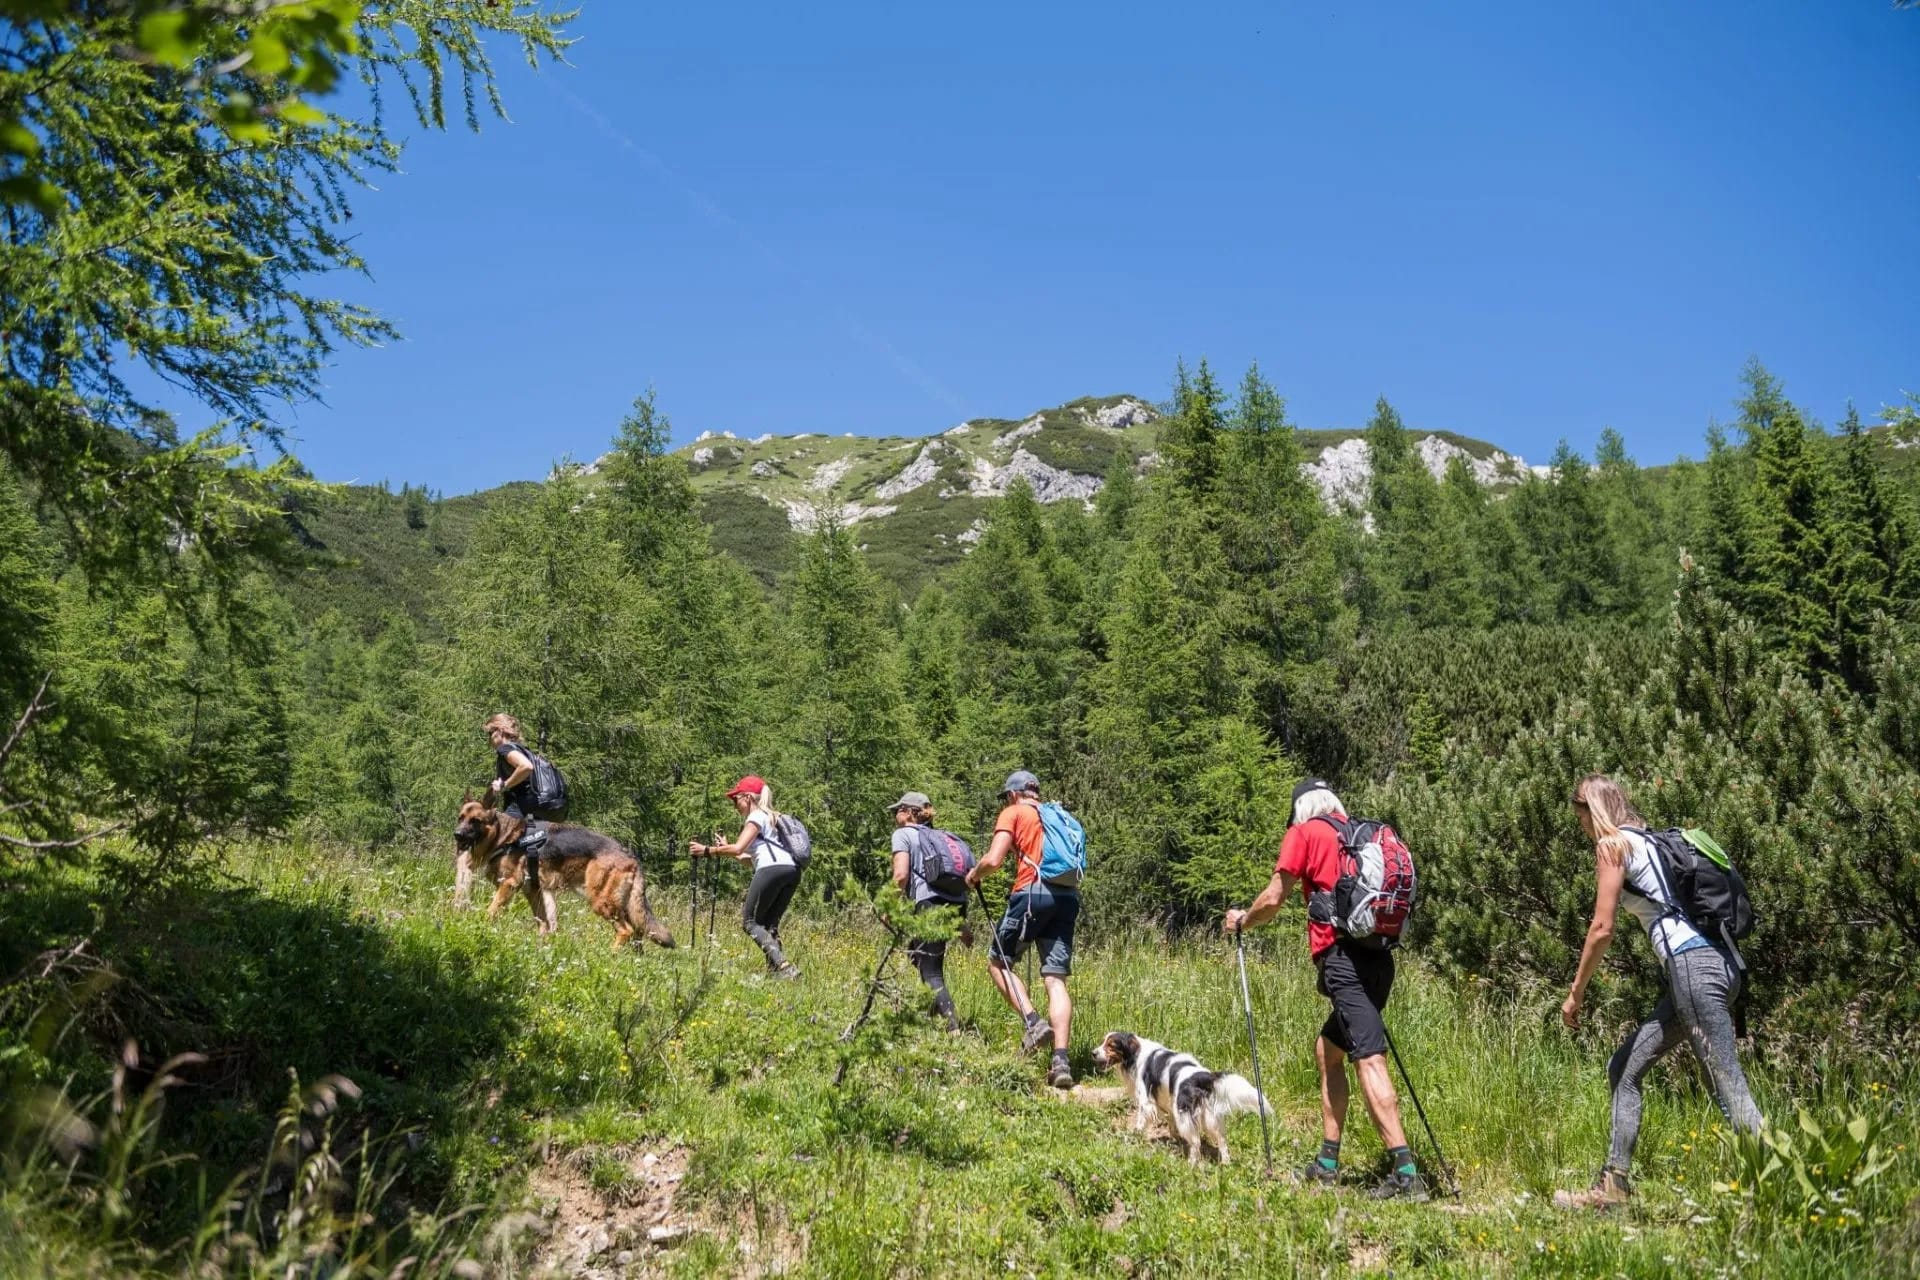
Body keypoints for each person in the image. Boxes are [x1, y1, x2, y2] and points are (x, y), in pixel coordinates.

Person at [1553, 773, 1764, 1210]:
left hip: (1693, 970)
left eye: (1581, 820)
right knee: (1624, 1068)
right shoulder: (1650, 842)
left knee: (1727, 1085)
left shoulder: (1612, 846)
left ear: (1591, 813)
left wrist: (1576, 992)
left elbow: (1602, 928)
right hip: (1720, 966)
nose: (1583, 830)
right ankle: (1614, 1187)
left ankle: (1775, 1188)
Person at [1223, 778, 1428, 1201]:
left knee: (1368, 1058)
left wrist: (1243, 920)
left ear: (1300, 808)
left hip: (1343, 961)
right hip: (1379, 959)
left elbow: (1275, 897)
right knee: (1328, 1050)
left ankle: (1407, 1174)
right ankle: (1328, 1163)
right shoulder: (1359, 835)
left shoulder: (1303, 833)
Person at [965, 769, 1078, 1089]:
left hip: (1032, 893)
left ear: (1014, 794)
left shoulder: (1013, 812)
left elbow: (995, 859)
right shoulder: (1058, 816)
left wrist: (974, 875)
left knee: (998, 962)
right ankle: (1061, 1061)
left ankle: (1032, 1022)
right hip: (1067, 898)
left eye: (1006, 796)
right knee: (1055, 979)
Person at [689, 776, 802, 979]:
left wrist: (707, 850)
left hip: (772, 869)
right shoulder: (770, 818)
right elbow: (749, 859)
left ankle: (785, 967)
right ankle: (776, 973)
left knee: (750, 922)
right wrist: (726, 847)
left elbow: (739, 848)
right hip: (791, 871)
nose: (735, 806)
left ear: (748, 797)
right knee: (769, 925)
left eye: (736, 800)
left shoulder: (756, 816)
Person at [888, 791, 969, 1033]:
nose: (895, 815)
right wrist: (961, 923)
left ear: (909, 812)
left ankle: (954, 1029)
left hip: (929, 904)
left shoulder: (903, 834)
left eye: (898, 810)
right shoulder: (939, 836)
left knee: (932, 971)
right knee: (916, 953)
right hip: (954, 904)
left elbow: (901, 875)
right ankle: (933, 1010)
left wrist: (888, 904)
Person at [485, 713, 557, 931]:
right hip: (539, 811)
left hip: (520, 813)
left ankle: (492, 915)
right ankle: (550, 929)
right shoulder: (523, 749)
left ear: (501, 731)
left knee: (505, 867)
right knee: (537, 878)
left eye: (490, 733)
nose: (489, 738)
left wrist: (505, 785)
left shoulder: (506, 749)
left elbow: (526, 767)